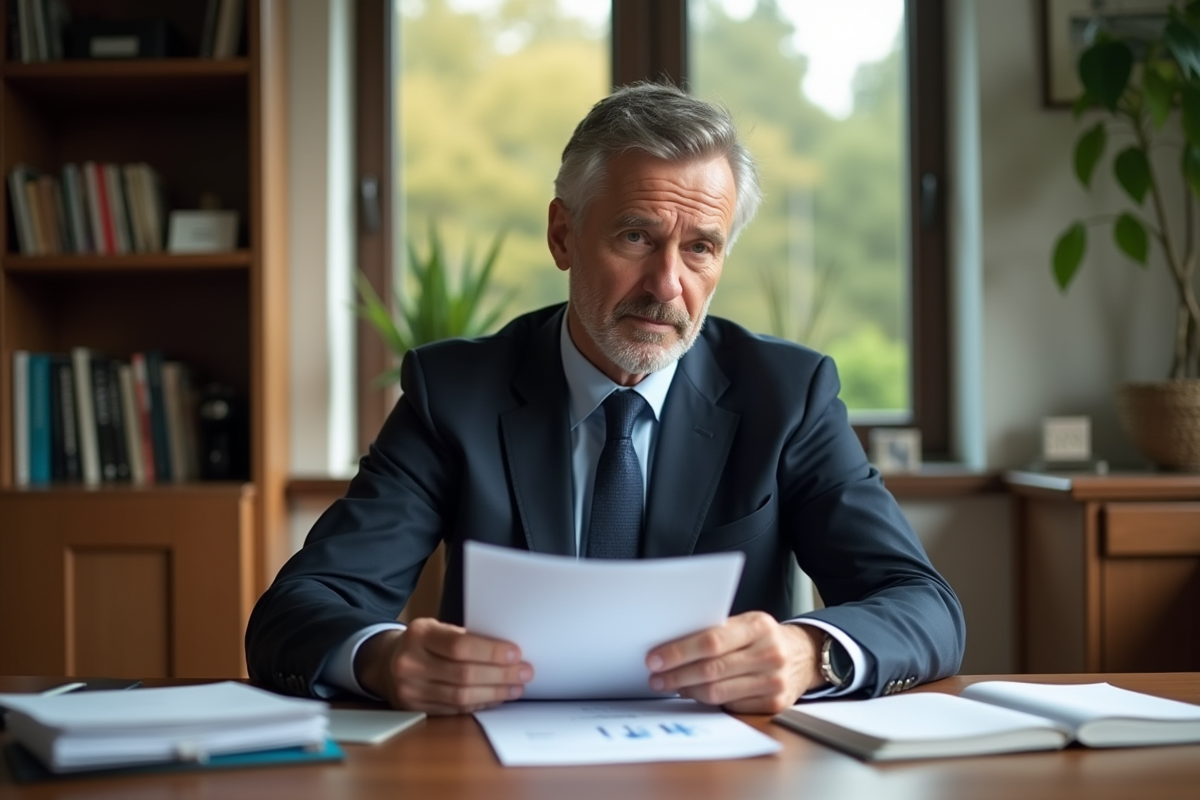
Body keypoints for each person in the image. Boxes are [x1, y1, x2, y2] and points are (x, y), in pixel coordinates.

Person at [246, 82, 965, 716]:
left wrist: (813, 653)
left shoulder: (787, 396)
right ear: (564, 234)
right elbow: (296, 613)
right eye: (635, 236)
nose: (666, 284)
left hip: (727, 770)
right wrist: (381, 659)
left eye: (701, 249)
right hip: (492, 764)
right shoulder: (455, 395)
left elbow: (924, 606)